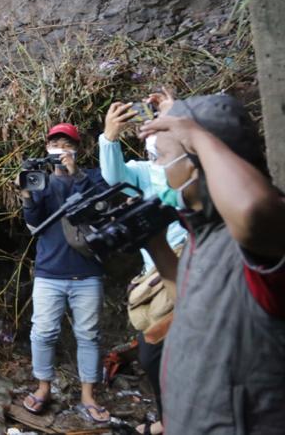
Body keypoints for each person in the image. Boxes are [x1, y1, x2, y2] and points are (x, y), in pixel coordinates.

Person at [141, 94, 285, 434]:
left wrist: (198, 136)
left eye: (162, 156)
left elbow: (253, 213)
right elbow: (192, 308)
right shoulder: (202, 230)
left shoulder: (259, 237)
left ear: (196, 163)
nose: (158, 167)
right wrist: (157, 246)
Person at [99, 93, 188, 435]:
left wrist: (175, 113)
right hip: (158, 268)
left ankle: (169, 422)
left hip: (189, 258)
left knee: (159, 352)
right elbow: (113, 176)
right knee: (155, 353)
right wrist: (109, 137)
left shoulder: (187, 165)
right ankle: (169, 419)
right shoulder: (143, 171)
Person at [20, 123, 111, 424]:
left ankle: (88, 395)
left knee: (89, 335)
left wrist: (77, 175)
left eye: (66, 143)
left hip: (87, 273)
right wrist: (26, 196)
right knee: (43, 332)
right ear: (47, 149)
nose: (60, 148)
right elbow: (33, 222)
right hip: (49, 271)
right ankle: (43, 387)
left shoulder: (93, 176)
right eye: (55, 143)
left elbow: (101, 206)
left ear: (77, 149)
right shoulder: (41, 181)